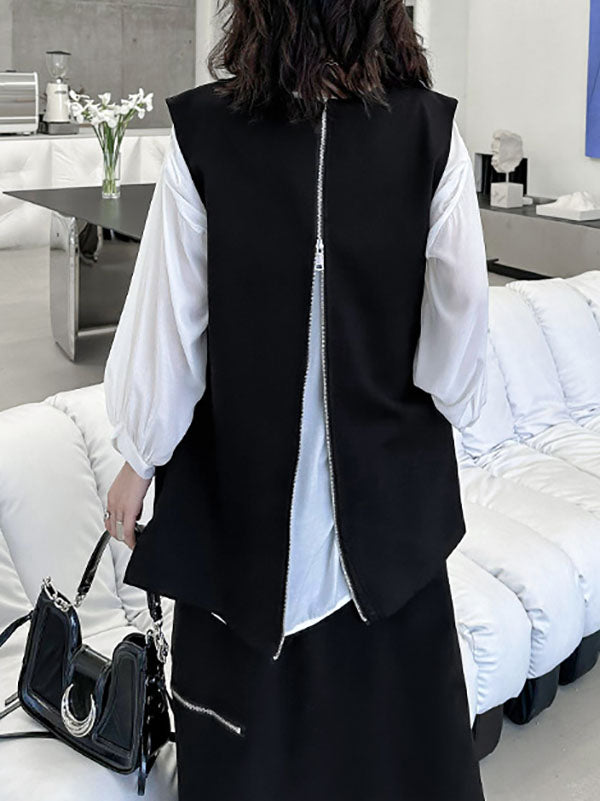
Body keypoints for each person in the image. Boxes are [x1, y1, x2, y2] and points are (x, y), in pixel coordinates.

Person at [103, 1, 489, 799]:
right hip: (390, 525)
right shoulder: (432, 134)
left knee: (249, 766)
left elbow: (170, 335)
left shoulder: (202, 133)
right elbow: (457, 354)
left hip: (239, 518)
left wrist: (139, 457)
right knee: (397, 761)